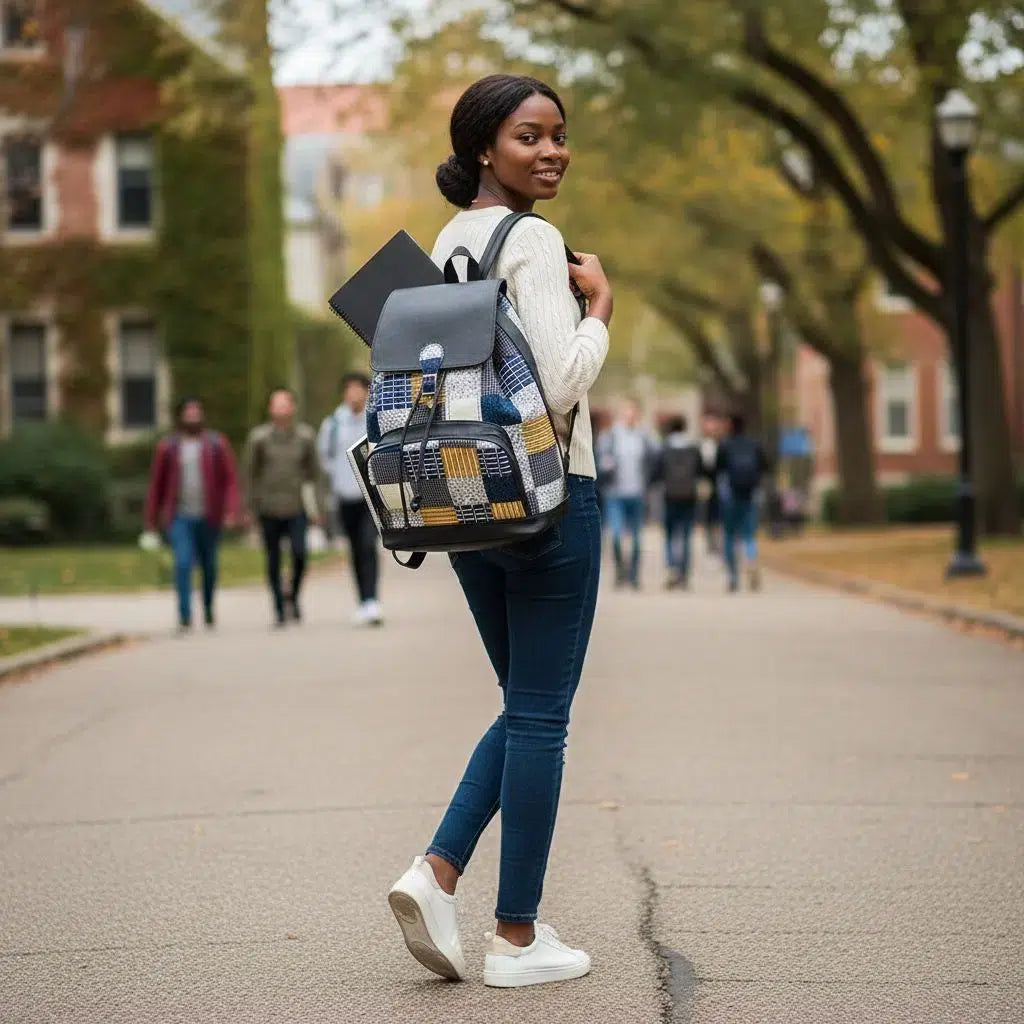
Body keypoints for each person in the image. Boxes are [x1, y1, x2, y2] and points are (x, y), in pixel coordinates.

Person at [387, 74, 611, 989]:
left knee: (524, 704)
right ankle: (516, 937)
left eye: (559, 135)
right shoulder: (535, 240)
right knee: (542, 715)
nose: (552, 151)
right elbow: (559, 383)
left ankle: (438, 873)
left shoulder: (448, 242)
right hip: (549, 496)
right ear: (484, 148)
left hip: (462, 503)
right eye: (530, 136)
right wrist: (600, 310)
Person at [144, 397, 239, 632]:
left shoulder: (216, 444)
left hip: (209, 516)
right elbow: (157, 485)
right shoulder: (168, 447)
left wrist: (231, 510)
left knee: (209, 565)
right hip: (180, 517)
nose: (193, 417)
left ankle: (207, 606)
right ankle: (185, 614)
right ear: (181, 417)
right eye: (189, 413)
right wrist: (151, 519)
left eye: (197, 413)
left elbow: (229, 480)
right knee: (183, 563)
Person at [243, 388, 320, 627]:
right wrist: (249, 508)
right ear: (270, 409)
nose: (281, 409)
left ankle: (293, 596)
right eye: (276, 404)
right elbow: (250, 474)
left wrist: (317, 507)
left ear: (292, 407)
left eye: (285, 404)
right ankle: (278, 607)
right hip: (268, 507)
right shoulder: (259, 439)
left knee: (299, 554)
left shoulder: (305, 437)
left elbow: (315, 473)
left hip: (297, 506)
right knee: (273, 559)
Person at [317, 372, 383, 626]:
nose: (353, 394)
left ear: (366, 392)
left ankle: (373, 600)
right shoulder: (333, 424)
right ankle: (363, 601)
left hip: (369, 497)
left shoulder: (373, 419)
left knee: (368, 545)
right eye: (349, 389)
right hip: (344, 497)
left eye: (358, 389)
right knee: (355, 549)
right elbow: (325, 458)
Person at [597, 399, 656, 589]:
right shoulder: (610, 437)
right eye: (626, 412)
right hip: (615, 494)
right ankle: (620, 572)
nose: (630, 416)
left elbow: (654, 458)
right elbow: (600, 461)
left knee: (637, 538)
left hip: (637, 493)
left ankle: (634, 576)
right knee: (615, 536)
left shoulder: (644, 436)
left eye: (633, 412)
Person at [716, 412, 770, 593]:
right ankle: (751, 559)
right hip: (750, 495)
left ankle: (732, 576)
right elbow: (765, 467)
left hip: (730, 497)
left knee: (729, 536)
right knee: (749, 535)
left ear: (730, 426)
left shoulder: (724, 445)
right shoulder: (754, 444)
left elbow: (717, 471)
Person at [659, 414, 702, 590]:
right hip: (689, 495)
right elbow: (700, 470)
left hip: (670, 495)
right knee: (686, 535)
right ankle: (684, 573)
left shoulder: (665, 448)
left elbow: (657, 471)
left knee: (670, 534)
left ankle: (671, 568)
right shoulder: (693, 448)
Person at [698, 411, 724, 555]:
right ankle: (710, 542)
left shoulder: (721, 444)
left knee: (718, 514)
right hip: (706, 483)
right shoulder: (700, 444)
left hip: (719, 483)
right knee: (706, 512)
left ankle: (718, 542)